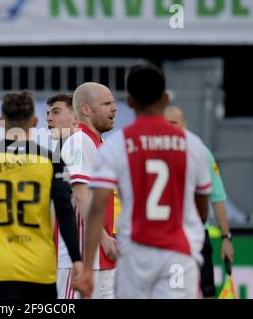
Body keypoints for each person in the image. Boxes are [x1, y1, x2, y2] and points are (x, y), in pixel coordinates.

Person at [74, 64, 211, 299]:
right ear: (165, 98)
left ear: (130, 102)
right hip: (178, 254)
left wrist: (87, 267)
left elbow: (97, 206)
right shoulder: (192, 144)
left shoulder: (117, 145)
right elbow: (203, 209)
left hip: (134, 255)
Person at [0, 91, 83, 299]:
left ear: (1, 121)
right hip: (39, 269)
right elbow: (65, 212)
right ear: (34, 122)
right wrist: (76, 259)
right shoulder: (50, 160)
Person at [164, 105, 234, 298]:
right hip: (165, 238)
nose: (170, 128)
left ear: (185, 124)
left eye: (174, 124)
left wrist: (226, 238)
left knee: (205, 292)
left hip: (196, 236)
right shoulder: (155, 151)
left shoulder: (200, 152)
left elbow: (217, 197)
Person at [60, 82, 118, 299]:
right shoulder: (79, 142)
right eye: (106, 103)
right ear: (85, 109)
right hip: (81, 260)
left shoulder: (98, 144)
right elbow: (80, 195)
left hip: (102, 259)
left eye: (113, 102)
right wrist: (104, 239)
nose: (114, 108)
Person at [46, 93, 79, 299]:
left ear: (75, 117)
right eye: (48, 113)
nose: (49, 118)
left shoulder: (74, 146)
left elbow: (78, 200)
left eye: (56, 112)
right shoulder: (66, 146)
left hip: (72, 254)